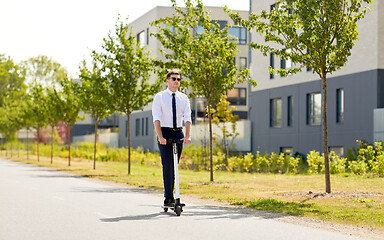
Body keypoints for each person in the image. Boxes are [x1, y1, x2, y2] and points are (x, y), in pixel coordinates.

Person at [152, 69, 191, 207]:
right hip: (164, 132)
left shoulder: (183, 98)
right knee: (167, 165)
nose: (176, 82)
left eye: (178, 79)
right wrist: (160, 137)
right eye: (173, 79)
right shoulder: (160, 97)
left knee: (175, 165)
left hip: (178, 133)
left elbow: (187, 118)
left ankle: (174, 196)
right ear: (167, 80)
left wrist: (187, 136)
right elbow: (156, 118)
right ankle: (168, 198)